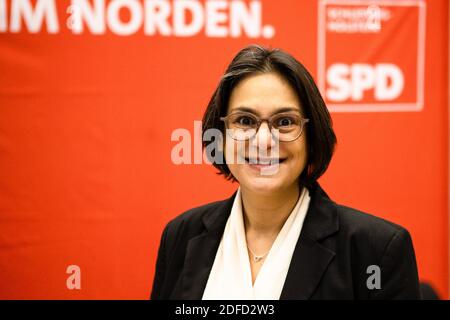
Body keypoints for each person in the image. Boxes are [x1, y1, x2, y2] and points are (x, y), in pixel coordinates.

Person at [151, 45, 421, 300]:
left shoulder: (376, 251)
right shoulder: (181, 236)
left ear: (311, 136)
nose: (264, 140)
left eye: (285, 122)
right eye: (245, 121)